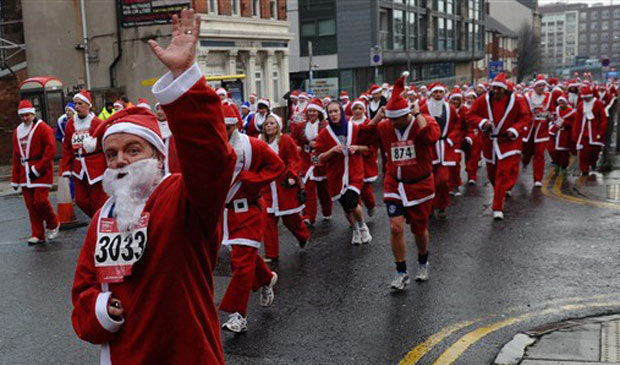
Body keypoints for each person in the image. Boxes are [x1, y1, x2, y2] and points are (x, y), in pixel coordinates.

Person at [71, 10, 235, 363]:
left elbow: (212, 161)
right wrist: (102, 309)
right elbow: (83, 290)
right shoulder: (102, 218)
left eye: (133, 150)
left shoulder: (181, 197)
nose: (120, 161)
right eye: (111, 153)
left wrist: (184, 79)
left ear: (158, 157)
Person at [357, 72, 440, 289]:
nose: (392, 123)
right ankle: (401, 271)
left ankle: (423, 261)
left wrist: (419, 113)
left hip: (420, 184)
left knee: (419, 230)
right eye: (390, 118)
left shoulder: (423, 121)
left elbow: (430, 137)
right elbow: (363, 138)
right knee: (395, 227)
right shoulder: (385, 126)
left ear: (407, 114)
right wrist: (377, 117)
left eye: (397, 119)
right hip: (394, 183)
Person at [219, 103, 283, 333]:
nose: (222, 130)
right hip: (224, 213)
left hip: (250, 211)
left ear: (236, 125)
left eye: (226, 126)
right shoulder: (211, 146)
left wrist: (254, 179)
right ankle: (266, 279)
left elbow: (278, 166)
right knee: (244, 257)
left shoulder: (253, 146)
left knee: (241, 262)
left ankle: (238, 315)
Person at [466, 73, 531, 220]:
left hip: (508, 142)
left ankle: (497, 207)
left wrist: (515, 129)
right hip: (489, 142)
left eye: (499, 89)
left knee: (502, 173)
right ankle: (500, 192)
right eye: (494, 88)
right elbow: (470, 116)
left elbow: (526, 117)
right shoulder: (483, 100)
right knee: (492, 174)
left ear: (505, 90)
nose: (496, 91)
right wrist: (482, 122)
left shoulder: (516, 100)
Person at [315, 101, 372, 245]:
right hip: (336, 174)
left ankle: (363, 226)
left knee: (352, 201)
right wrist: (332, 151)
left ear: (341, 112)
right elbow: (319, 157)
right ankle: (355, 230)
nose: (333, 114)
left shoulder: (355, 128)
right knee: (346, 206)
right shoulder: (324, 133)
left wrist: (357, 147)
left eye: (336, 111)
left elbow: (369, 147)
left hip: (354, 170)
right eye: (330, 112)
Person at [260, 114, 310, 261]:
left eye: (272, 123)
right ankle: (271, 254)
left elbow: (294, 160)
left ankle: (303, 236)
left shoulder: (285, 140)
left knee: (290, 219)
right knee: (268, 220)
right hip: (267, 187)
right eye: (267, 124)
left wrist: (292, 177)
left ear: (278, 126)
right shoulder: (260, 142)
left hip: (284, 186)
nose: (269, 126)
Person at [11, 100, 60, 245]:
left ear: (33, 113)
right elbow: (16, 156)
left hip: (41, 172)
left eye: (27, 115)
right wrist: (15, 178)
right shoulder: (17, 131)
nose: (25, 118)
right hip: (24, 173)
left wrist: (38, 168)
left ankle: (53, 223)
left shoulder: (43, 128)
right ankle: (38, 234)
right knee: (31, 205)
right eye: (22, 116)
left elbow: (50, 150)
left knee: (40, 201)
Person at [60, 90, 108, 217]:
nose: (77, 107)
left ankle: (98, 224)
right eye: (75, 104)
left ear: (88, 105)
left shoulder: (98, 123)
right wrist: (66, 169)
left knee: (98, 201)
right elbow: (67, 148)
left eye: (80, 104)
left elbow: (107, 146)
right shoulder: (70, 124)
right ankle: (96, 220)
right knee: (81, 201)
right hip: (78, 169)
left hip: (96, 168)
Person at [420, 83, 461, 219]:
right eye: (435, 92)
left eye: (440, 92)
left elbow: (457, 125)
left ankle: (442, 205)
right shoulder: (424, 108)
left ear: (444, 93)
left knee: (443, 180)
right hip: (430, 148)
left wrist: (451, 138)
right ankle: (430, 206)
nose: (438, 94)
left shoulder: (450, 108)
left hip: (445, 147)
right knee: (429, 179)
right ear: (431, 93)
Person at [290, 98, 333, 225]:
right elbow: (293, 139)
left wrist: (319, 144)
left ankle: (327, 211)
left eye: (314, 111)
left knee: (324, 189)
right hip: (306, 160)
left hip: (321, 160)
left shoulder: (326, 126)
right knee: (308, 188)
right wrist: (296, 146)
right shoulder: (301, 126)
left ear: (319, 112)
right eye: (310, 111)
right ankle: (309, 216)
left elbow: (331, 141)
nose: (312, 113)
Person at [348, 98, 378, 217]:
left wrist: (358, 148)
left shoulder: (368, 123)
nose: (357, 111)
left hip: (364, 161)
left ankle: (370, 205)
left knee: (365, 188)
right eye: (355, 108)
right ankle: (357, 213)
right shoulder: (348, 123)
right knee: (352, 188)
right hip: (350, 160)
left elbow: (372, 147)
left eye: (360, 108)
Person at [521, 75, 552, 187]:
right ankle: (525, 161)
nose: (541, 88)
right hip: (529, 129)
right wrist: (531, 116)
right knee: (527, 151)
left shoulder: (549, 97)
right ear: (534, 87)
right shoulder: (527, 97)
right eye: (539, 86)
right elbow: (523, 112)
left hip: (542, 130)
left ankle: (538, 179)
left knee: (539, 154)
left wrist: (549, 115)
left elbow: (553, 111)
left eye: (543, 85)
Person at [573, 85, 608, 176]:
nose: (586, 99)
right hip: (583, 133)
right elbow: (577, 120)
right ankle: (584, 170)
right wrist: (575, 133)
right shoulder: (581, 105)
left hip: (595, 132)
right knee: (583, 153)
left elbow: (603, 119)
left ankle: (593, 162)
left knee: (595, 151)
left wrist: (601, 131)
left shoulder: (598, 103)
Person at [549, 96, 576, 175]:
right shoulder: (557, 110)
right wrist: (553, 119)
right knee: (554, 150)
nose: (561, 104)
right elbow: (553, 119)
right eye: (559, 102)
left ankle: (564, 167)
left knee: (564, 151)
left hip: (565, 134)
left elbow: (574, 124)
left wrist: (564, 122)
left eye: (562, 102)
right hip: (555, 132)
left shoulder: (572, 112)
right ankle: (557, 164)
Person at [154, 102, 180, 174]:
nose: (159, 112)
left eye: (163, 109)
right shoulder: (153, 126)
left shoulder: (177, 127)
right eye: (158, 109)